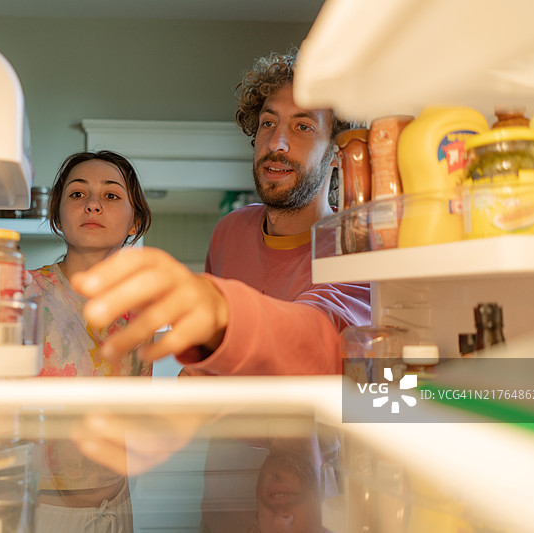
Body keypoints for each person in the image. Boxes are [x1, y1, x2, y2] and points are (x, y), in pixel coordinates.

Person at [71, 48, 370, 376]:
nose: (276, 143)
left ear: (337, 152)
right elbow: (218, 361)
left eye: (303, 127)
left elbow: (323, 338)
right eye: (268, 123)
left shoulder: (357, 242)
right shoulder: (232, 232)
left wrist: (223, 309)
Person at [26, 150, 153, 533]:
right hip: (42, 512)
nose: (93, 204)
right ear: (58, 216)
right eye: (77, 195)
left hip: (118, 507)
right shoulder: (26, 293)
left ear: (135, 223)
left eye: (111, 196)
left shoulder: (141, 310)